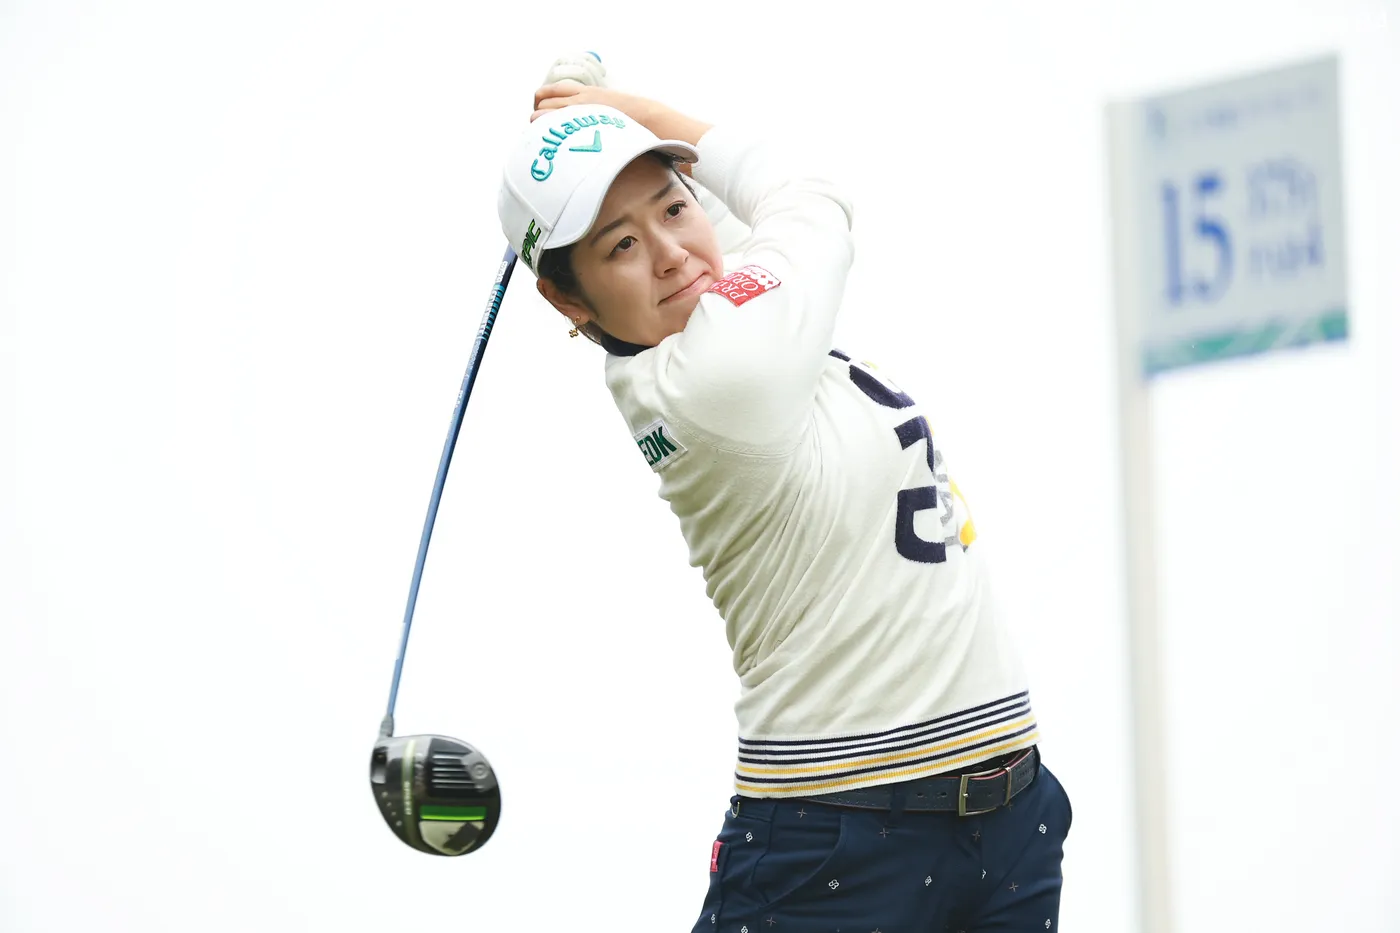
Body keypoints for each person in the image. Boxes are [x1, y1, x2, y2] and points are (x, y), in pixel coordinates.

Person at [496, 65, 1073, 933]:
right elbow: (802, 194)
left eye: (672, 209)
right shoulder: (717, 372)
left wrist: (596, 133)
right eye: (619, 247)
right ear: (567, 300)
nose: (669, 252)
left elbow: (720, 222)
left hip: (1007, 822)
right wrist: (626, 109)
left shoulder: (703, 311)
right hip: (840, 842)